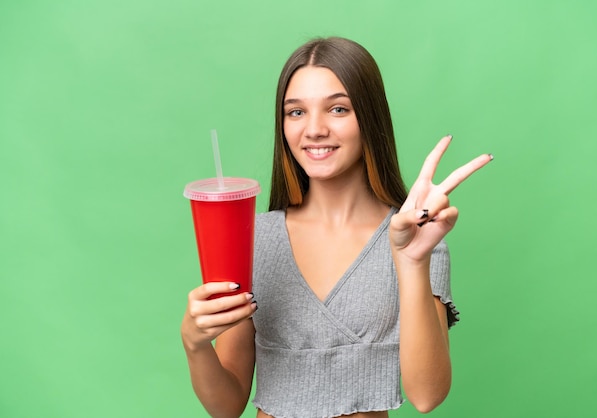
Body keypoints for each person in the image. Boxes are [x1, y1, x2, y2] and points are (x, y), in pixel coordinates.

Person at [181, 36, 492, 418]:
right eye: (296, 112)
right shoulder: (254, 240)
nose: (313, 129)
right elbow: (227, 406)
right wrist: (194, 343)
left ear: (370, 117)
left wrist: (411, 261)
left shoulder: (418, 239)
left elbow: (427, 396)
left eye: (338, 109)